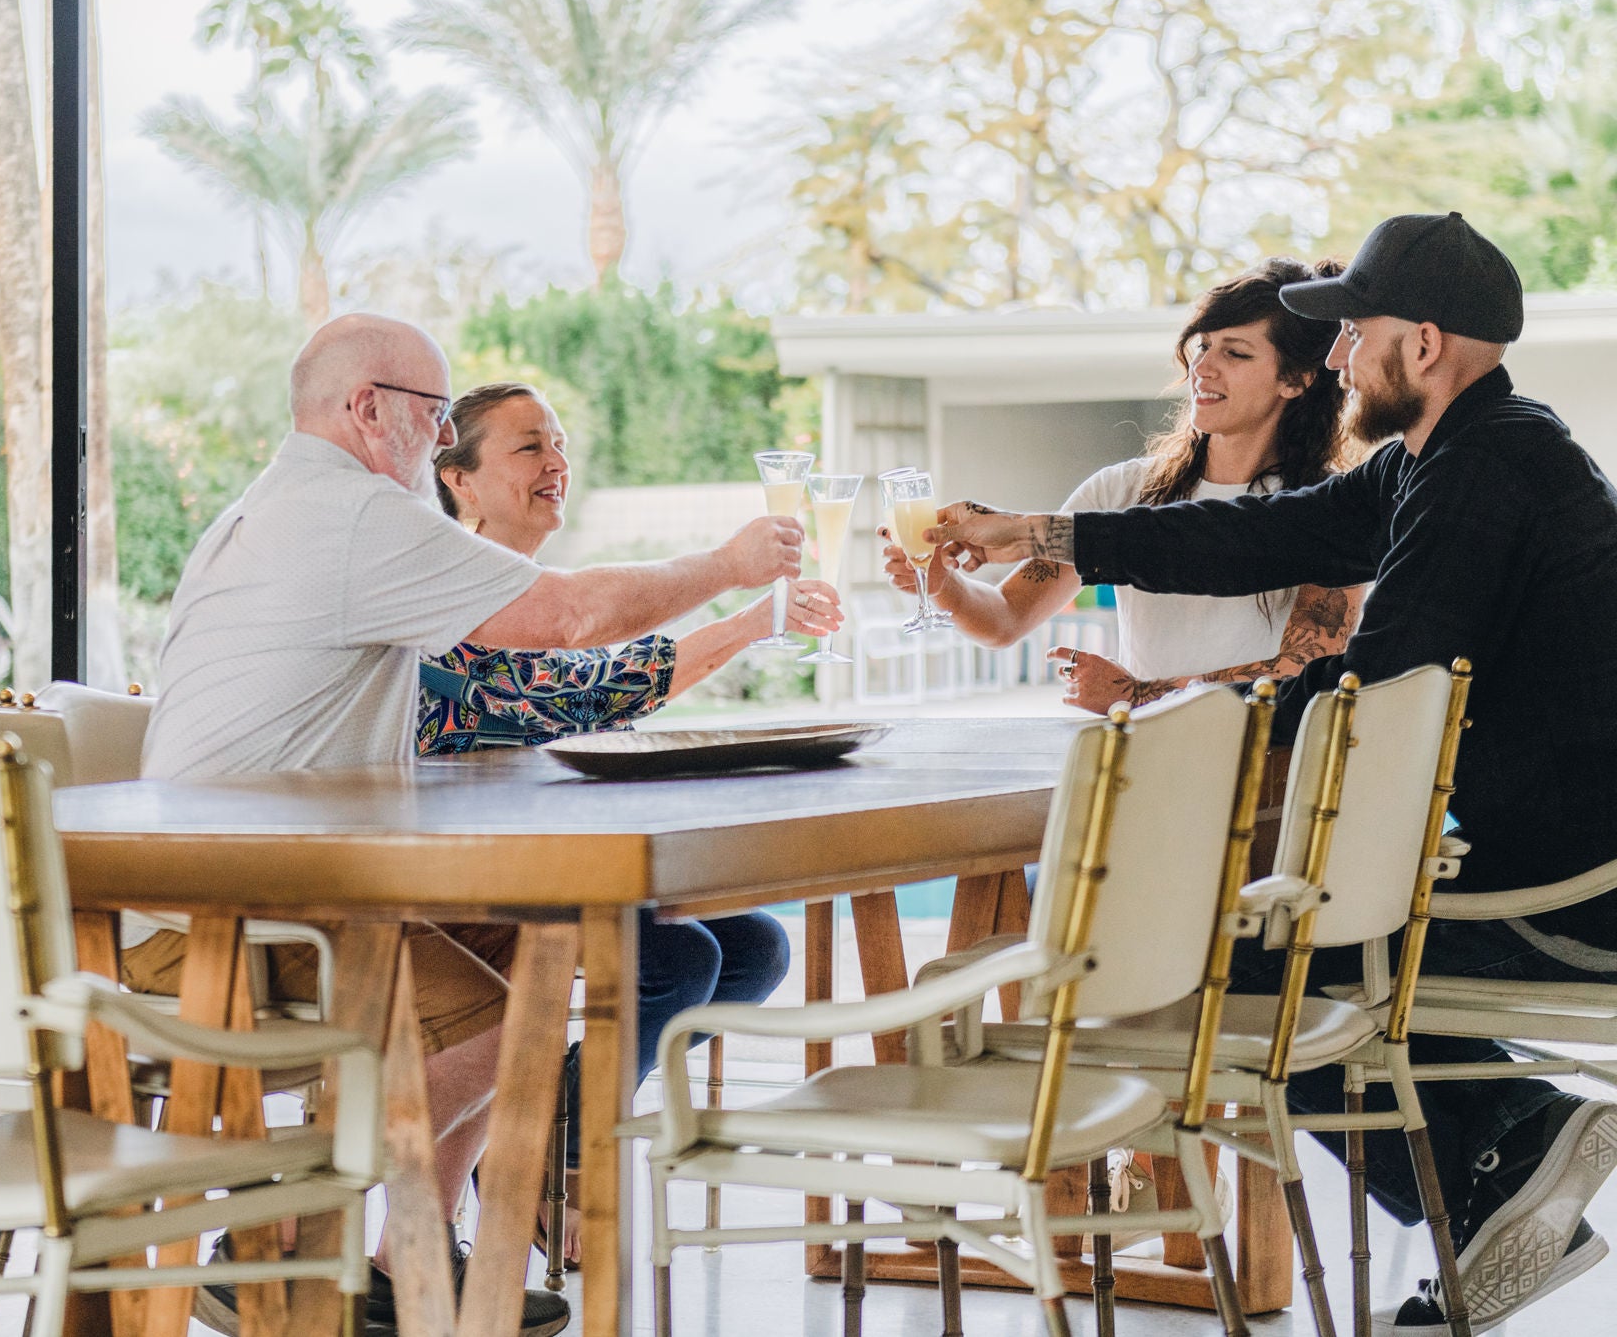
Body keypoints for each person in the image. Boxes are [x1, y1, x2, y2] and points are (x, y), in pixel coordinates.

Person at [922, 213, 1617, 1335]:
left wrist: (1174, 720)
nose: (1336, 359)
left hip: (1559, 894)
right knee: (1266, 940)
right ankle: (1506, 1154)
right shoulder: (1448, 456)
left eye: (1352, 335)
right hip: (1537, 855)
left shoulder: (1481, 473)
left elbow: (1379, 689)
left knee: (1219, 965)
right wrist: (1042, 535)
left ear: (1423, 344)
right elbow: (1253, 537)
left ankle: (1512, 1133)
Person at [133, 313, 803, 1337]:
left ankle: (410, 1256)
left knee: (524, 955)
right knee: (517, 1015)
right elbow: (567, 621)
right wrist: (726, 568)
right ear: (367, 409)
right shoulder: (350, 514)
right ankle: (277, 1237)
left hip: (258, 889)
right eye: (432, 413)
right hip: (229, 922)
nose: (437, 433)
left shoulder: (281, 507)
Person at [420, 380, 841, 1261]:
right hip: (465, 873)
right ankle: (558, 1149)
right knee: (680, 955)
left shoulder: (528, 587)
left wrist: (753, 622)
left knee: (757, 946)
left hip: (545, 852)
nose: (556, 462)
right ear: (456, 478)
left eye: (560, 442)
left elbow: (594, 681)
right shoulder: (442, 590)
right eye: (528, 445)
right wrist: (743, 606)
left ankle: (547, 1135)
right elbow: (576, 691)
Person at [880, 257, 1361, 709]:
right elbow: (1005, 617)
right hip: (1143, 761)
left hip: (1263, 773)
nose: (1204, 367)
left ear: (1296, 380)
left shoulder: (1325, 511)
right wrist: (942, 582)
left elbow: (1301, 671)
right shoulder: (1119, 493)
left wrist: (1140, 694)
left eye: (1235, 353)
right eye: (1203, 345)